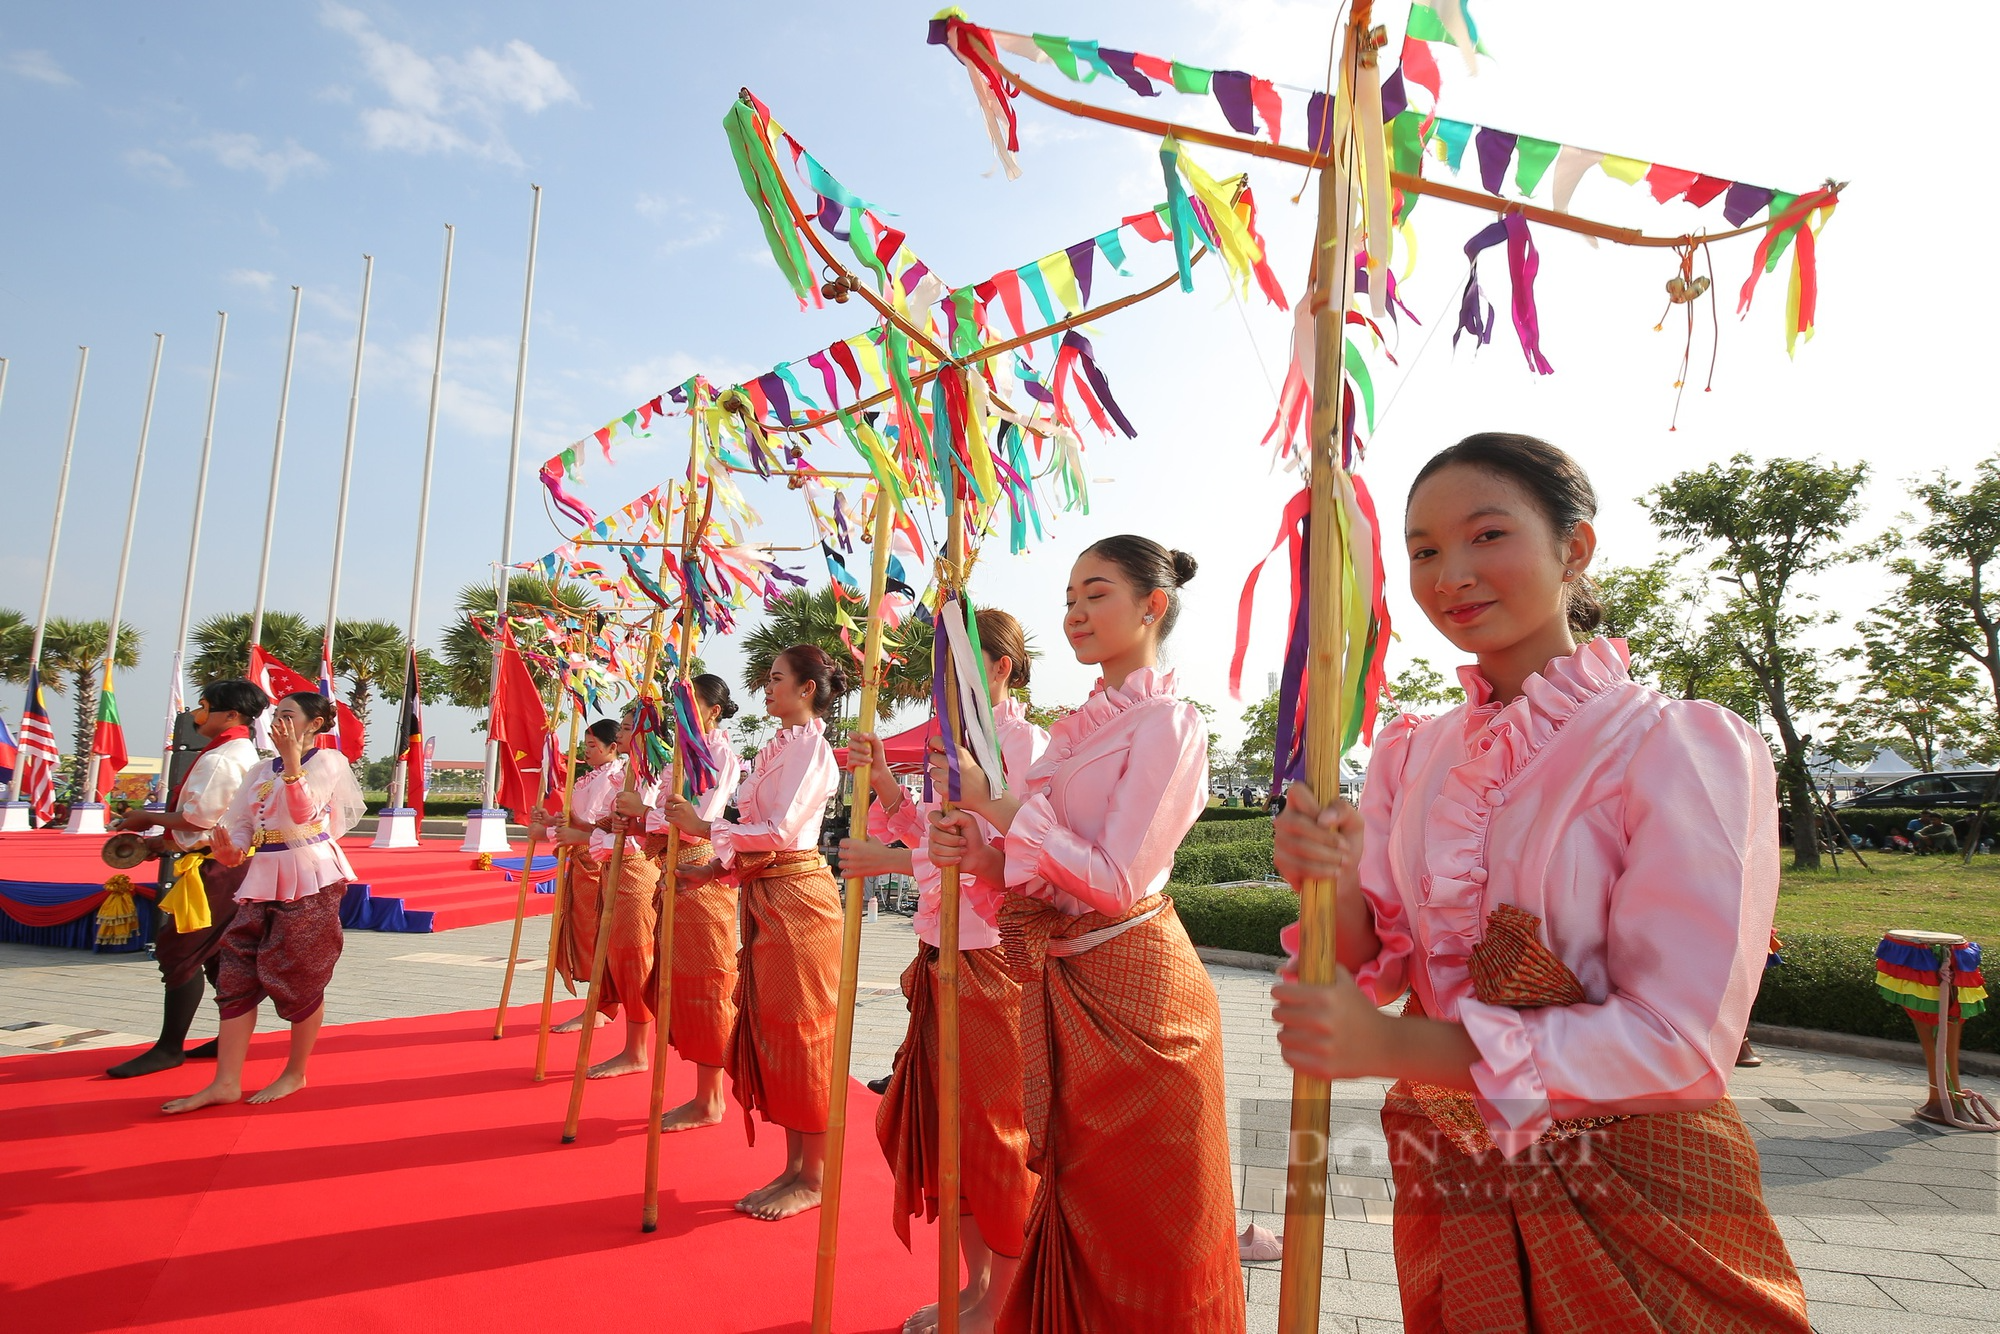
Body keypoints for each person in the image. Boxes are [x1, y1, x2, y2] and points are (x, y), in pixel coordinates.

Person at [1269, 433, 1808, 1329]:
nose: (1451, 575)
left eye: (1487, 536)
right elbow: (1386, 957)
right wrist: (1330, 885)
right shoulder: (1415, 753)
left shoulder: (1678, 746)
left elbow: (1678, 1042)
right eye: (1424, 551)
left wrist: (1400, 1052)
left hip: (1635, 1180)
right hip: (1456, 1172)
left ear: (1576, 548)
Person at [929, 536, 1244, 1333]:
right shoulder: (1077, 729)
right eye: (1069, 597)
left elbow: (1116, 879)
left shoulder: (1170, 724)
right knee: (1075, 1195)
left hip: (1138, 997)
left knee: (1147, 1218)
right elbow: (1044, 868)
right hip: (1060, 982)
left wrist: (1001, 812)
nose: (1074, 613)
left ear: (1152, 605)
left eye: (1095, 594)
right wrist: (986, 857)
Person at [844, 607, 1047, 1334]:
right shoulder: (944, 746)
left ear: (998, 668)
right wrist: (890, 792)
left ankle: (1004, 1303)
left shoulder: (1026, 746)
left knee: (996, 1137)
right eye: (937, 674)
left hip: (991, 956)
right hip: (937, 951)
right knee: (945, 1131)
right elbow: (929, 841)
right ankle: (974, 1284)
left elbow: (1015, 856)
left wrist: (894, 857)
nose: (942, 688)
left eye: (956, 670)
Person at [654, 644, 844, 1221]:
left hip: (799, 900)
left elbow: (782, 830)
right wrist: (714, 864)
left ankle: (814, 1174)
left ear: (806, 688)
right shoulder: (777, 747)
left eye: (776, 677)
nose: (766, 687)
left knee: (804, 1032)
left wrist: (706, 828)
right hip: (764, 893)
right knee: (773, 1031)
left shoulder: (813, 750)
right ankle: (791, 1167)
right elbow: (750, 828)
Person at [162, 691, 364, 1114]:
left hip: (311, 878)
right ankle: (225, 1081)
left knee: (301, 971)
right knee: (236, 970)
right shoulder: (257, 769)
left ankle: (295, 1071)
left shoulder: (327, 762)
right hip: (260, 878)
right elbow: (240, 825)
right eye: (277, 716)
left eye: (289, 716)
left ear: (314, 724)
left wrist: (293, 763)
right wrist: (231, 850)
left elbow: (305, 815)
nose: (279, 724)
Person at [105, 679, 268, 1078]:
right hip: (224, 862)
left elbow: (200, 819)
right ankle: (228, 1037)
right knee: (215, 955)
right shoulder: (238, 752)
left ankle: (169, 1048)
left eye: (204, 706)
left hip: (220, 868)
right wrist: (164, 841)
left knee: (178, 949)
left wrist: (146, 818)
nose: (197, 715)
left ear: (231, 715)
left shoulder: (223, 758)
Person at [618, 673, 743, 1130]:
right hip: (672, 868)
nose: (679, 717)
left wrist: (645, 815)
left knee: (707, 985)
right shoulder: (678, 758)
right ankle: (700, 1093)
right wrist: (635, 824)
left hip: (700, 872)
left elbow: (699, 821)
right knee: (682, 984)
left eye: (689, 707)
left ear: (712, 711)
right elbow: (666, 820)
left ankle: (711, 1099)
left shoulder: (721, 755)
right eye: (676, 710)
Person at [539, 716, 662, 1078]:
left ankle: (637, 1049)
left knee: (634, 958)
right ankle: (602, 1008)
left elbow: (641, 835)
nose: (621, 735)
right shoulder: (619, 777)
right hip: (607, 867)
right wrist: (555, 823)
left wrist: (582, 839)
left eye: (625, 729)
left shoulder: (646, 777)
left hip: (632, 871)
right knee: (608, 950)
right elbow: (595, 826)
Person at [530, 720, 624, 1038]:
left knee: (601, 937)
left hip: (599, 865)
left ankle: (602, 1005)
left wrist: (560, 829)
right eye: (585, 745)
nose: (586, 751)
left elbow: (597, 827)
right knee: (587, 936)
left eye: (592, 745)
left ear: (613, 747)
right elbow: (576, 821)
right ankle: (598, 1003)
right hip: (583, 865)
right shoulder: (588, 778)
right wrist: (551, 823)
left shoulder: (616, 777)